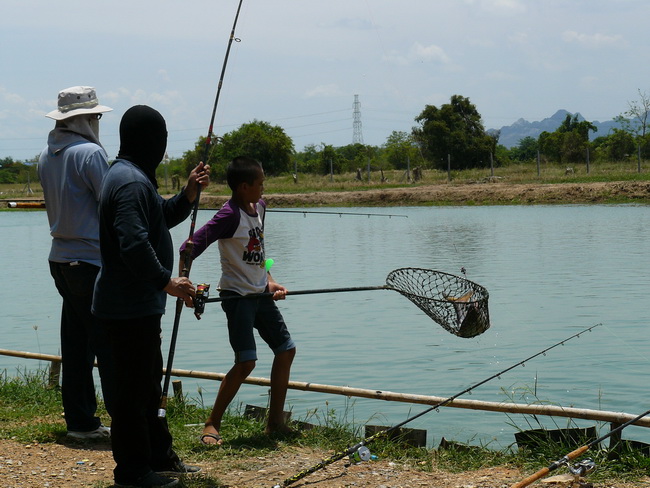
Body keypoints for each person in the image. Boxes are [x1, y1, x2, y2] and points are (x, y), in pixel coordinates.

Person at [92, 105, 209, 488]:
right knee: (130, 397)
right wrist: (168, 282)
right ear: (151, 142)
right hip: (126, 310)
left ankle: (159, 457)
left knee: (146, 389)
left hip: (137, 308)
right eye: (163, 139)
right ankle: (132, 473)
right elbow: (133, 244)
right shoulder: (130, 183)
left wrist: (188, 194)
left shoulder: (131, 176)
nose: (163, 147)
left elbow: (157, 216)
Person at [179, 156, 296, 446]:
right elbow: (188, 248)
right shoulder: (229, 215)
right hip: (237, 298)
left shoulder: (261, 208)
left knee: (286, 351)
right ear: (244, 187)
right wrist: (184, 283)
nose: (263, 187)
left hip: (260, 294)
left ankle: (275, 423)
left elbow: (258, 251)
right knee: (246, 362)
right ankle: (212, 424)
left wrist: (270, 279)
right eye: (260, 183)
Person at [38, 85, 115, 440]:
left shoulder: (46, 155)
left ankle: (81, 421)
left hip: (60, 259)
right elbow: (112, 205)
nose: (98, 122)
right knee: (109, 343)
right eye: (96, 116)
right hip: (91, 260)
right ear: (85, 119)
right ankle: (127, 419)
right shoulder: (89, 154)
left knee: (75, 342)